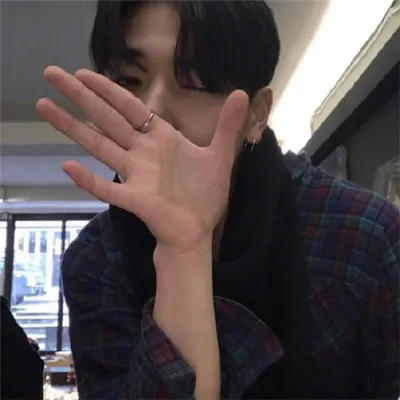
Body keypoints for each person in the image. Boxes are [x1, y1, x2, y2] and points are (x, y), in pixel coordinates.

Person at [36, 1, 400, 398]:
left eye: (195, 82)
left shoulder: (365, 238)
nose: (151, 111)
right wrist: (182, 253)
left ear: (257, 115)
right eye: (128, 80)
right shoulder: (94, 261)